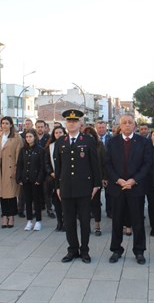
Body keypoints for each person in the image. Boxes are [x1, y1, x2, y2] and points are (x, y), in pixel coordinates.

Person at [55, 109, 101, 264]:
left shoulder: (87, 140)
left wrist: (96, 184)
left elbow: (95, 164)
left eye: (74, 121)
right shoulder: (61, 142)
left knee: (84, 221)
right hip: (66, 187)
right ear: (66, 123)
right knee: (69, 221)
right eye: (69, 121)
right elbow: (58, 167)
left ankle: (85, 250)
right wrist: (58, 187)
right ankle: (72, 249)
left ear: (80, 123)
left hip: (84, 188)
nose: (71, 123)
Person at [106, 113, 152, 265]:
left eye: (130, 122)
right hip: (117, 188)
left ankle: (139, 251)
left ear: (135, 125)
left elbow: (147, 164)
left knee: (137, 221)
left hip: (135, 188)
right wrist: (118, 180)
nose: (127, 125)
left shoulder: (143, 142)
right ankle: (116, 250)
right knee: (117, 221)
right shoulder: (112, 142)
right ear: (120, 125)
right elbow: (108, 164)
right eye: (124, 122)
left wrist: (133, 180)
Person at [0, 116, 22, 229]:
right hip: (0, 169)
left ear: (11, 125)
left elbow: (19, 155)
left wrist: (16, 169)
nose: (4, 125)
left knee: (11, 194)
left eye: (6, 123)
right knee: (2, 194)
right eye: (2, 123)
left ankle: (11, 216)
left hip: (10, 169)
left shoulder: (16, 138)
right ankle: (4, 215)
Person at [17, 128, 46, 231]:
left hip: (36, 180)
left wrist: (39, 178)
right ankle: (29, 220)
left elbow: (42, 166)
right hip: (26, 179)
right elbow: (20, 165)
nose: (28, 139)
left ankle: (38, 221)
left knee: (36, 201)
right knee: (27, 200)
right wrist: (19, 178)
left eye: (30, 137)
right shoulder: (23, 150)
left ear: (35, 137)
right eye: (27, 137)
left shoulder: (40, 150)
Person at [84, 126, 107, 236]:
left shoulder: (99, 145)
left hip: (96, 178)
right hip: (83, 179)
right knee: (84, 204)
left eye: (91, 135)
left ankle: (97, 225)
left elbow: (104, 162)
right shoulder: (81, 146)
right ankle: (86, 225)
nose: (89, 137)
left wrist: (104, 177)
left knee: (96, 203)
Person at [45, 125, 66, 231]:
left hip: (66, 179)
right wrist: (51, 172)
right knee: (56, 202)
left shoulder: (68, 144)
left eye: (60, 132)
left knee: (65, 203)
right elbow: (46, 162)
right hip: (54, 179)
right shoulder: (50, 146)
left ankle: (66, 222)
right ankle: (59, 222)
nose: (58, 134)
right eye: (56, 133)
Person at [96, 120, 112, 218]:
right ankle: (95, 212)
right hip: (97, 170)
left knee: (109, 193)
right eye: (99, 128)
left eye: (103, 127)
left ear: (106, 128)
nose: (101, 129)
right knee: (96, 193)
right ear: (96, 128)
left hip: (108, 169)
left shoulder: (112, 139)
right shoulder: (92, 139)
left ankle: (109, 211)